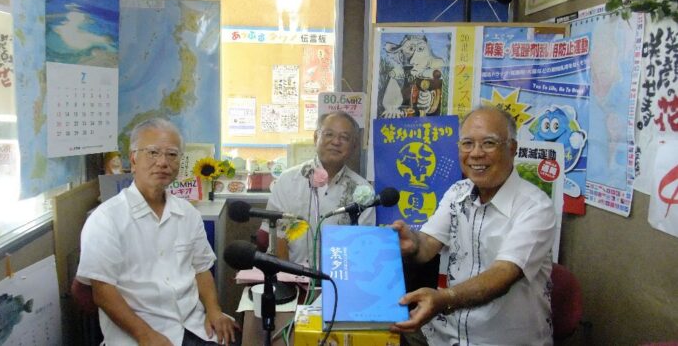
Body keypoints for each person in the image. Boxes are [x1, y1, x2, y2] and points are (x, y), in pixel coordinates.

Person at [391, 106, 556, 345]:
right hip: (444, 336)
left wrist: (443, 299)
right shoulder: (458, 192)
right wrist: (411, 243)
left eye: (488, 143)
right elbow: (428, 243)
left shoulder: (535, 207)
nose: (476, 154)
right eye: (467, 144)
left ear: (512, 148)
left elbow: (502, 275)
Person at [77, 118, 238, 346]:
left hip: (193, 326)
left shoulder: (188, 214)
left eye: (172, 155)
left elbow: (201, 269)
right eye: (152, 152)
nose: (163, 162)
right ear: (133, 159)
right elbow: (102, 292)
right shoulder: (106, 219)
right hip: (137, 334)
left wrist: (214, 310)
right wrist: (145, 335)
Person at [262, 111, 376, 266]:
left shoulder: (363, 190)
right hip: (293, 278)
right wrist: (289, 282)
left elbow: (363, 245)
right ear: (316, 138)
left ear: (354, 146)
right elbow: (277, 236)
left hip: (341, 281)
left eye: (344, 137)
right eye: (329, 134)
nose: (336, 142)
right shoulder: (288, 180)